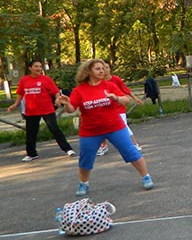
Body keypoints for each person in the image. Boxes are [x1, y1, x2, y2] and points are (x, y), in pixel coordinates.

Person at [55, 59, 154, 196]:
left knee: (131, 151)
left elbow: (125, 100)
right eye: (98, 69)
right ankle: (84, 183)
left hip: (115, 127)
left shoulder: (109, 85)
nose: (102, 71)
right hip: (90, 131)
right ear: (88, 72)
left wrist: (115, 98)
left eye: (103, 68)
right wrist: (66, 104)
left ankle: (146, 176)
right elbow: (71, 109)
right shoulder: (79, 90)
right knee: (86, 158)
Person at [7, 60, 76, 161]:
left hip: (47, 109)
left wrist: (57, 99)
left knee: (55, 129)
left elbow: (56, 91)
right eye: (36, 66)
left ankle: (68, 149)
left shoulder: (46, 79)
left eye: (40, 66)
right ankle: (31, 154)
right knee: (31, 132)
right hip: (31, 111)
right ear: (30, 68)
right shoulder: (24, 80)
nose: (39, 68)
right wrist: (15, 104)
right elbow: (20, 94)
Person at [97, 62, 144, 155]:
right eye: (102, 68)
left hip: (119, 107)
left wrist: (135, 98)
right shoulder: (99, 82)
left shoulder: (115, 79)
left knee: (123, 126)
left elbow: (125, 89)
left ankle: (134, 144)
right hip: (107, 108)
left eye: (106, 67)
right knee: (103, 127)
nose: (104, 70)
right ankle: (103, 146)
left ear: (110, 69)